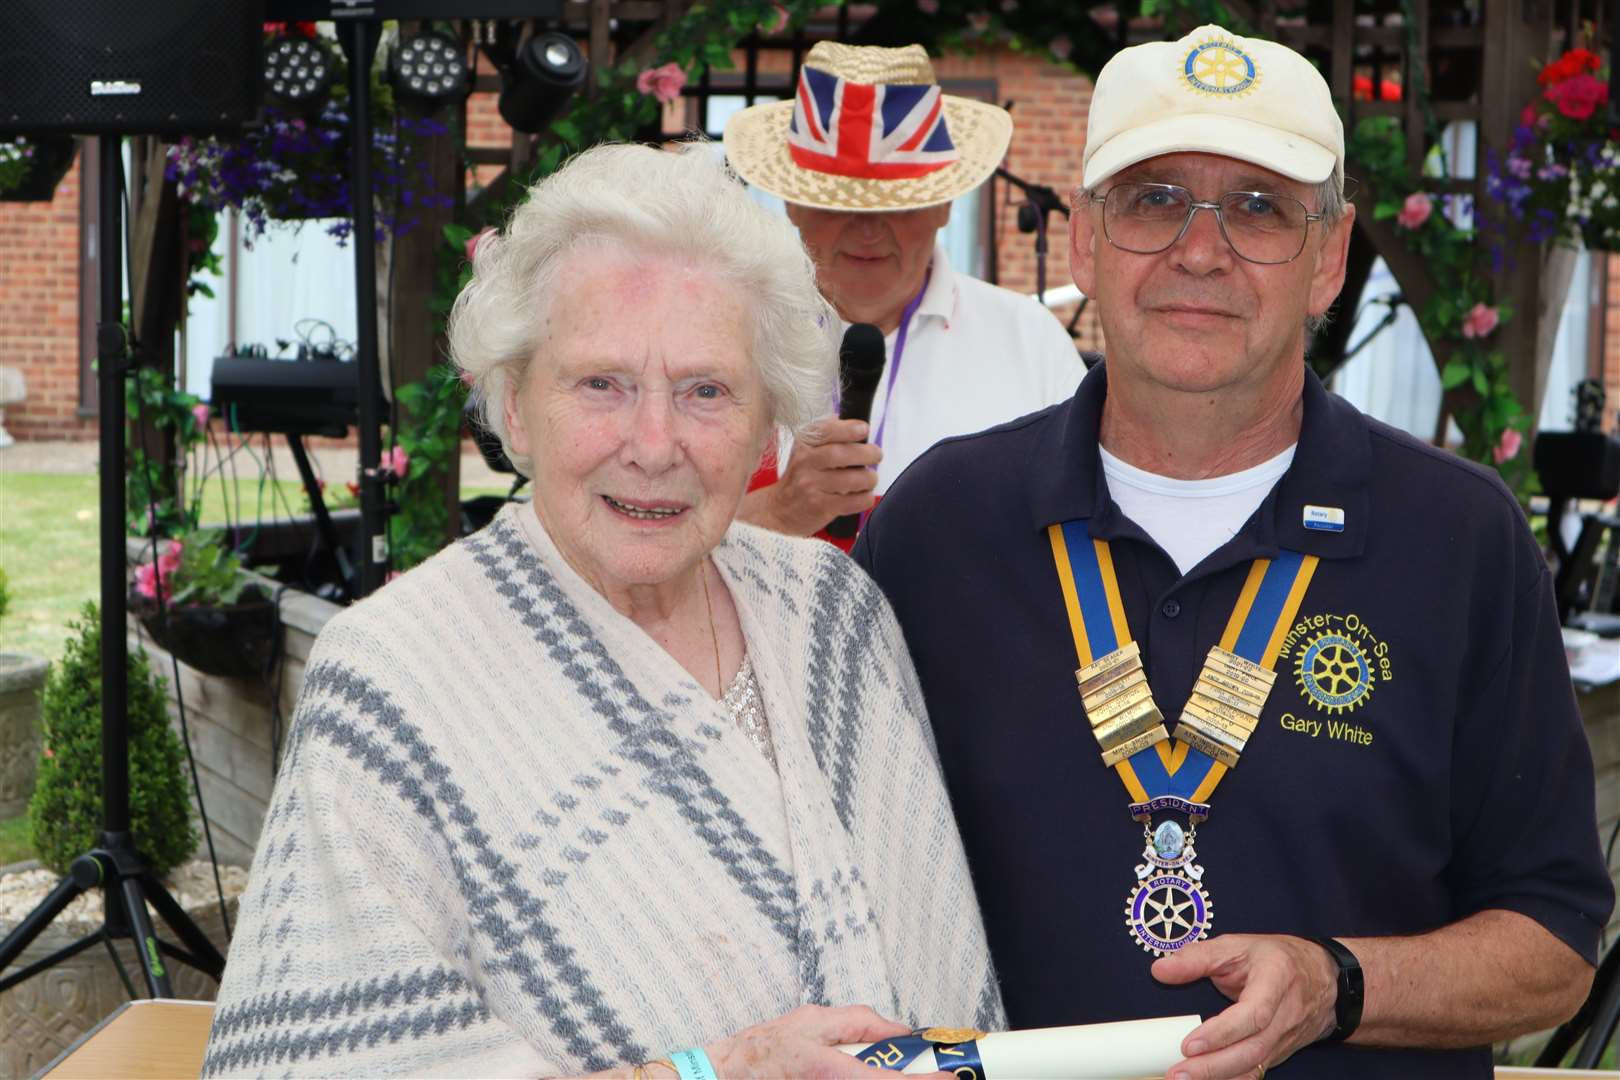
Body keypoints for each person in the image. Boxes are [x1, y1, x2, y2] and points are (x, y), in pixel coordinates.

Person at [854, 23, 1613, 1080]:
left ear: (1330, 258)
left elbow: (1556, 946)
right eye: (1154, 199)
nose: (1200, 249)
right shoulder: (939, 527)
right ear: (1082, 240)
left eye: (1260, 208)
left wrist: (1338, 986)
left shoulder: (1462, 540)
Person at [202, 143, 1002, 1078]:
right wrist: (716, 1074)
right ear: (515, 402)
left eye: (707, 391)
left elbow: (943, 978)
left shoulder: (830, 611)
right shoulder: (393, 674)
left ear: (765, 422)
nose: (654, 444)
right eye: (602, 385)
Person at [723, 42, 1081, 543]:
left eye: (899, 205)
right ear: (791, 205)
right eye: (836, 202)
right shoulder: (726, 333)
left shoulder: (1029, 342)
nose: (868, 230)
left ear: (945, 206)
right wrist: (777, 512)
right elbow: (644, 542)